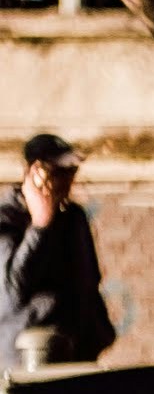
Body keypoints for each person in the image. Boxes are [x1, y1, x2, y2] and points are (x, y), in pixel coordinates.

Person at [0, 132, 115, 374]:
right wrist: (41, 224)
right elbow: (12, 290)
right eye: (60, 171)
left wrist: (99, 331)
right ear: (36, 172)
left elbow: (89, 281)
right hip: (27, 364)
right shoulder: (6, 219)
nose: (68, 180)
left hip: (76, 356)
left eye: (72, 171)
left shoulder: (74, 217)